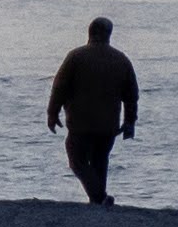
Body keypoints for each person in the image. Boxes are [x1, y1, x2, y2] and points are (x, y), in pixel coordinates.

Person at [47, 17, 141, 204]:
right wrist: (130, 122)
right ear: (109, 35)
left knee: (77, 160)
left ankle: (98, 197)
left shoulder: (76, 56)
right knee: (100, 159)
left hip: (81, 122)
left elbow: (59, 87)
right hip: (108, 125)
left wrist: (52, 112)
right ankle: (97, 200)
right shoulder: (121, 60)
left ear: (89, 33)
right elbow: (131, 95)